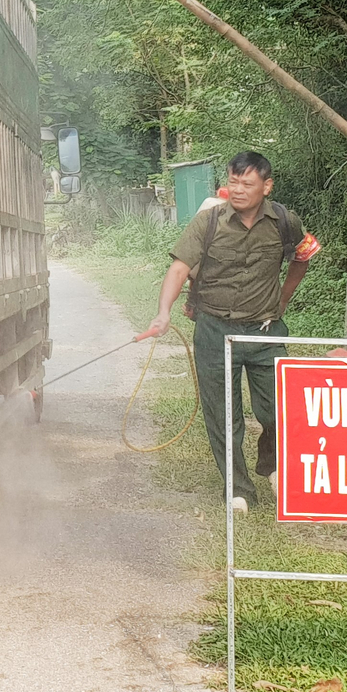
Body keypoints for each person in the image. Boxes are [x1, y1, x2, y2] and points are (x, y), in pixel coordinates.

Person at [141, 151, 317, 513]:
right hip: (214, 330)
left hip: (266, 333)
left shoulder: (285, 221)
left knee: (277, 413)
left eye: (247, 184)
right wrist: (163, 313)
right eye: (233, 182)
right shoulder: (208, 222)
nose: (238, 190)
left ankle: (271, 464)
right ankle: (239, 490)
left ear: (266, 187)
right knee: (224, 416)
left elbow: (303, 256)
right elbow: (178, 269)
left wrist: (283, 300)